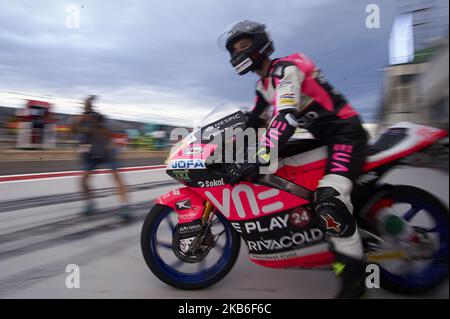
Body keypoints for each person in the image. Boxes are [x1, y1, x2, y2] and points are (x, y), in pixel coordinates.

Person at [222, 20, 369, 298]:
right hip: (322, 138)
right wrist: (225, 150)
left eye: (243, 46)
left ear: (260, 44)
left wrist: (260, 157)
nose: (238, 54)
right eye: (234, 50)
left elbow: (284, 117)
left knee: (330, 199)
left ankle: (354, 285)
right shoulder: (263, 84)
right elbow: (252, 123)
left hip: (345, 134)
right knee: (282, 172)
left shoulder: (284, 70)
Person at [71, 95, 131, 220]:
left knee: (117, 178)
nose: (87, 108)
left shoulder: (100, 118)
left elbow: (109, 136)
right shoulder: (80, 119)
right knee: (83, 180)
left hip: (107, 152)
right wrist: (79, 121)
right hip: (91, 154)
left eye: (89, 105)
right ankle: (90, 202)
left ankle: (125, 206)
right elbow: (72, 131)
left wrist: (99, 124)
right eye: (85, 106)